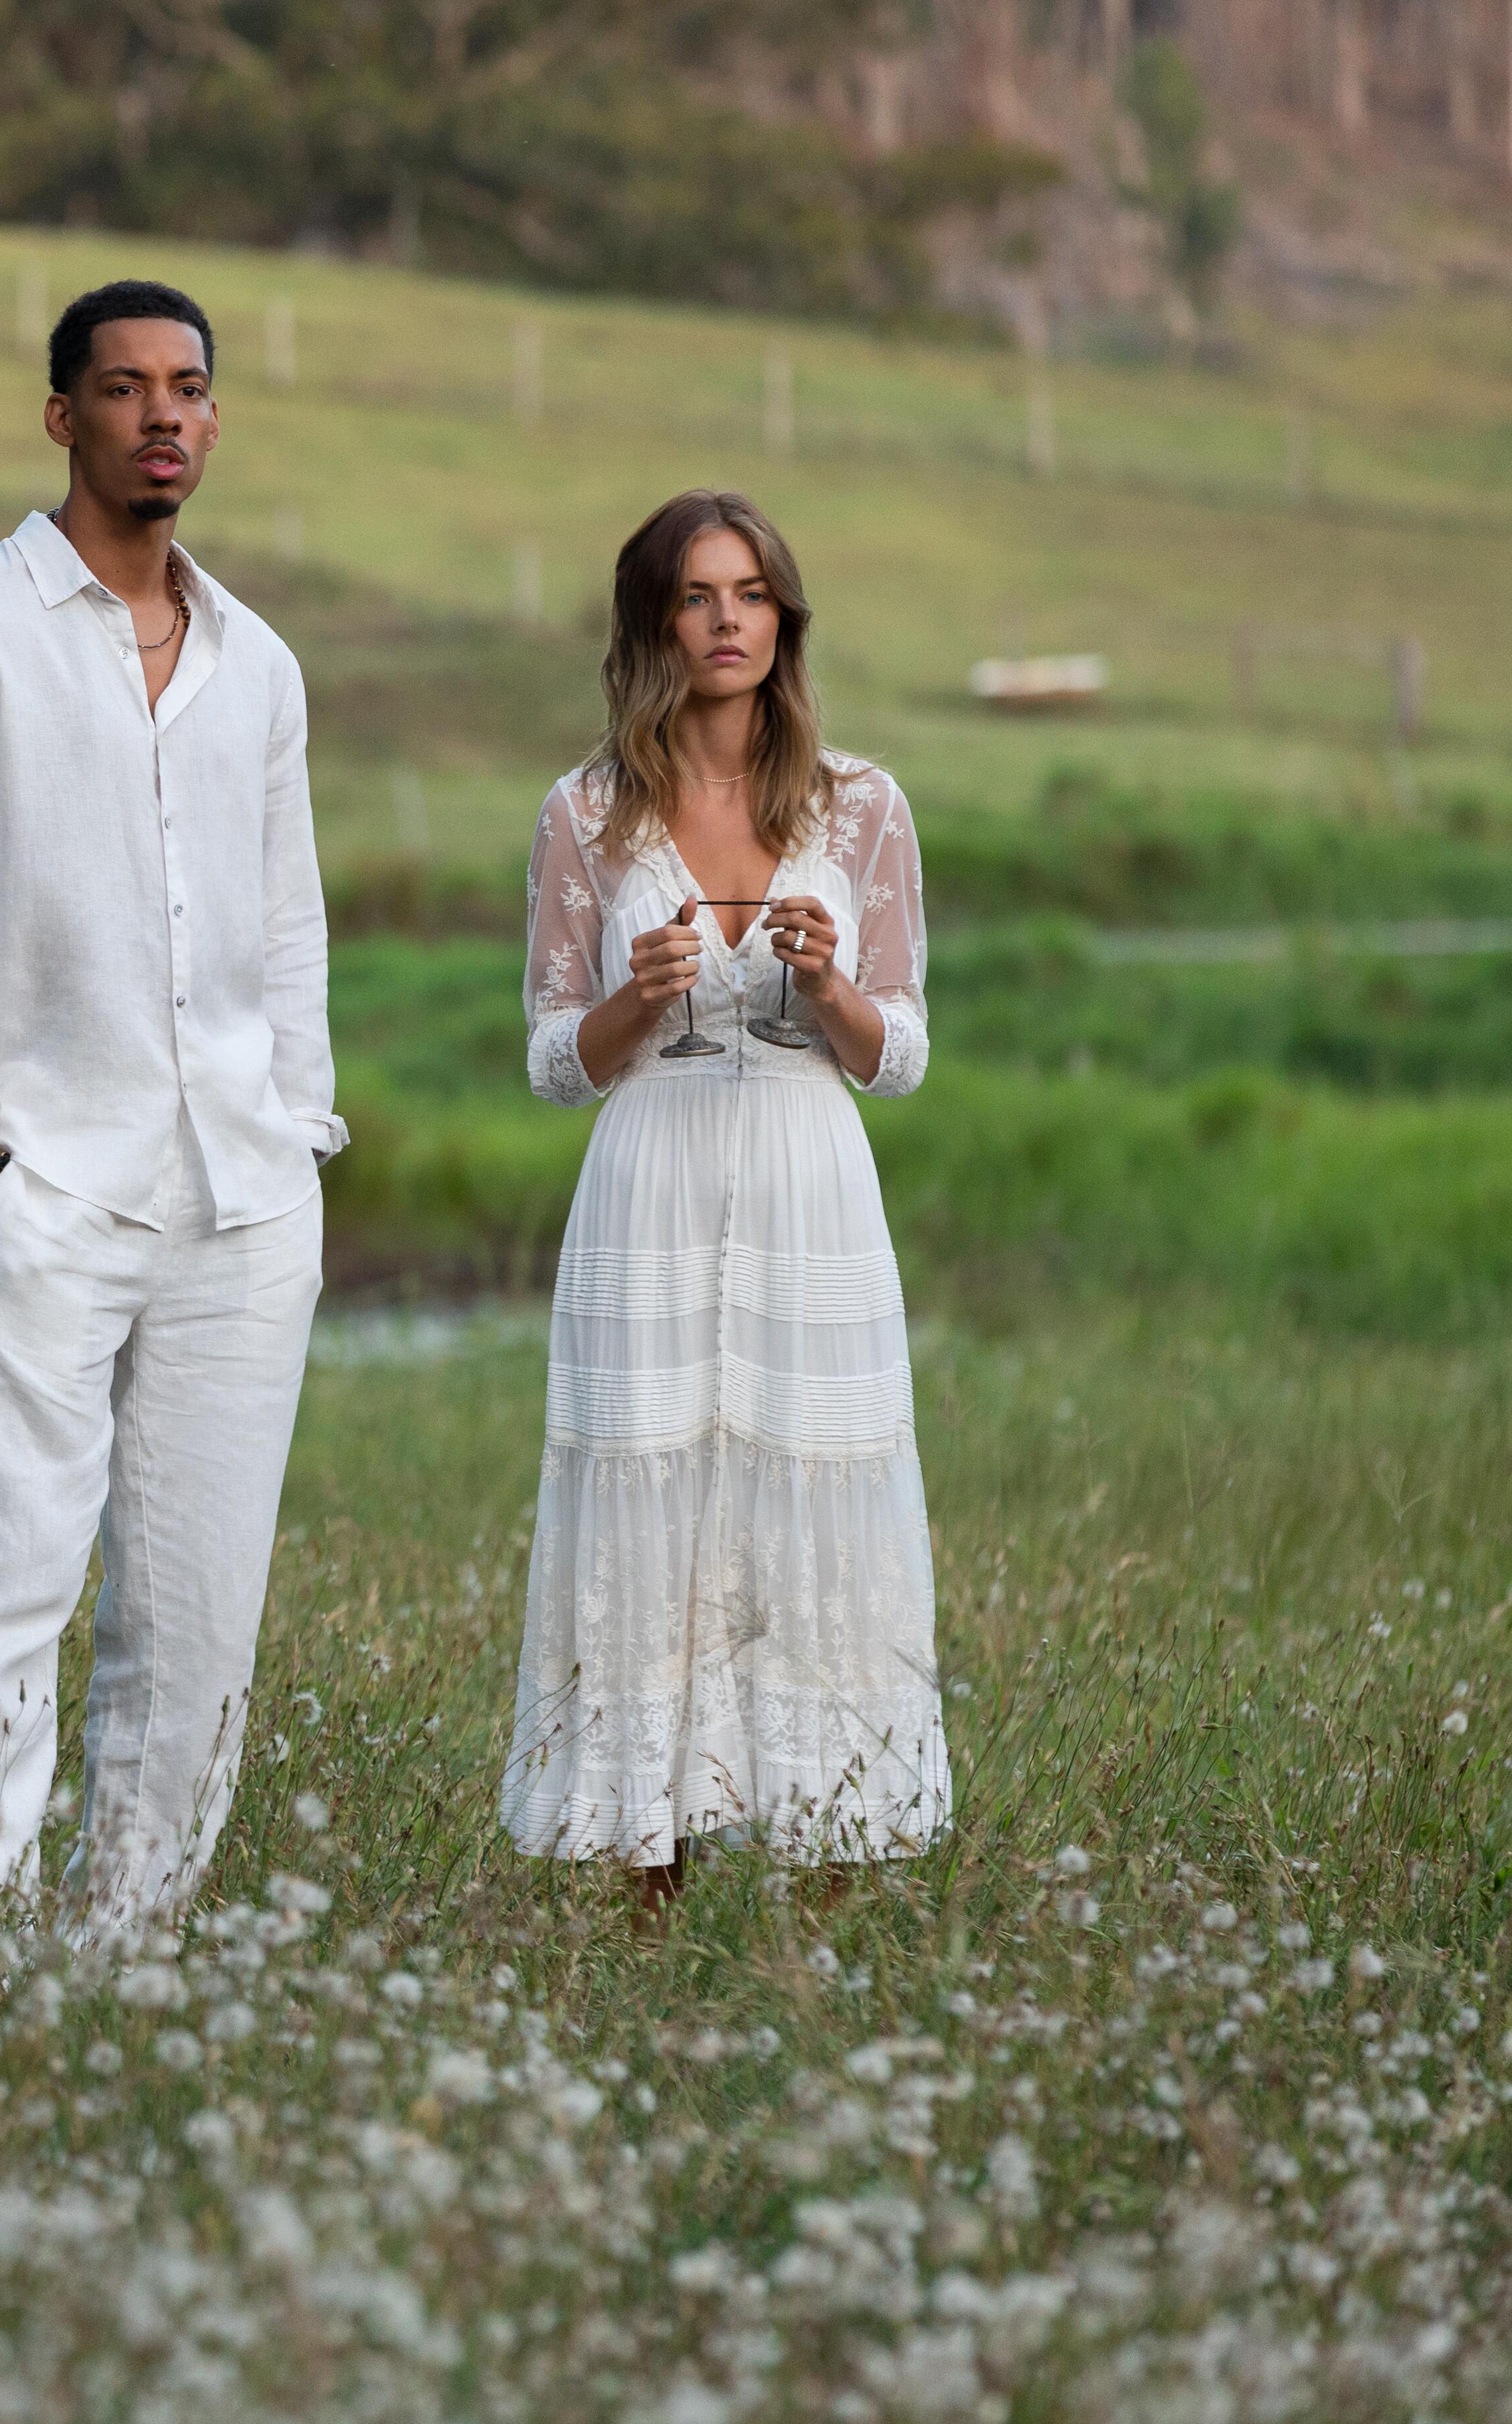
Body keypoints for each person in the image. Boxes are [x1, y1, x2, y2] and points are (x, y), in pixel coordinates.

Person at [0, 278, 343, 1931]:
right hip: (50, 1184)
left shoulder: (258, 664)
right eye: (126, 388)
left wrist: (302, 1133)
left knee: (201, 1615)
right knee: (5, 1591)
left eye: (190, 388)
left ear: (216, 418)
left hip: (243, 1199)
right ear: (60, 413)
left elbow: (288, 920)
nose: (163, 416)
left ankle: (128, 1952)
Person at [500, 489, 946, 1908]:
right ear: (654, 622)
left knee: (813, 1493)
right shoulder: (584, 814)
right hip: (651, 1186)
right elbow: (553, 1063)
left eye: (751, 592)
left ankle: (825, 1875)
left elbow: (905, 1055)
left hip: (814, 1183)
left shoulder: (862, 806)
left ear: (783, 616)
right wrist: (635, 1004)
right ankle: (647, 1882)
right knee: (653, 1506)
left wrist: (828, 988)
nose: (729, 620)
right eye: (698, 595)